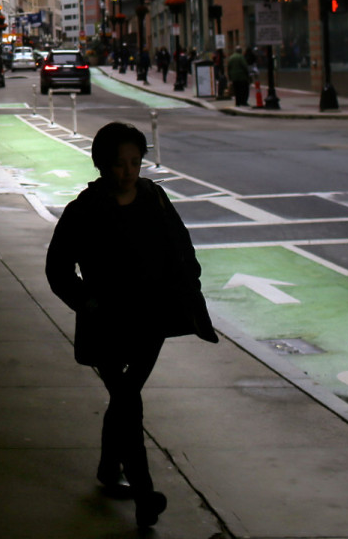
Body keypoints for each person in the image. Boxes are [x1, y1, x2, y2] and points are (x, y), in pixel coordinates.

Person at [46, 122, 217, 529]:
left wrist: (186, 290)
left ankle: (110, 468)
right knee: (128, 400)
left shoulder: (154, 199)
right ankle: (144, 495)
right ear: (103, 164)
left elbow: (181, 249)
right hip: (104, 322)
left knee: (125, 397)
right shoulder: (84, 210)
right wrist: (87, 302)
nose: (128, 171)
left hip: (150, 321)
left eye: (135, 163)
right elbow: (58, 269)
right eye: (120, 164)